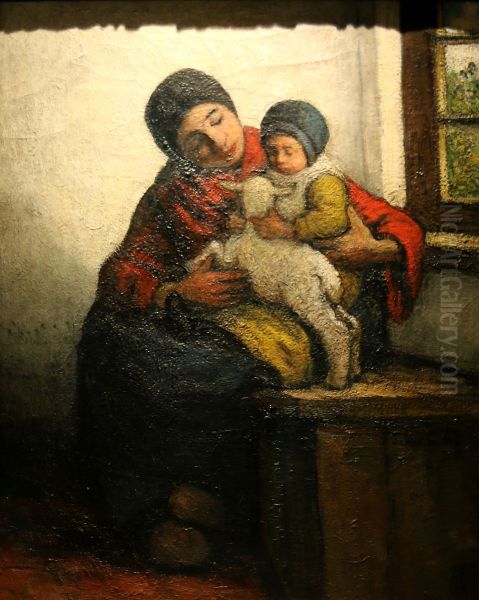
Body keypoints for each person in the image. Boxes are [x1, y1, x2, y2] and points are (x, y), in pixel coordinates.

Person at [77, 68, 424, 568]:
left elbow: (399, 227)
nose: (216, 142)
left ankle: (224, 506)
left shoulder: (286, 153)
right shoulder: (175, 191)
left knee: (193, 366)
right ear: (179, 153)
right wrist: (174, 291)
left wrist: (371, 251)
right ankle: (152, 512)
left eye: (216, 119)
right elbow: (124, 269)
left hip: (305, 316)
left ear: (231, 109)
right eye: (195, 142)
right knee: (107, 333)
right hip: (227, 314)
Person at [190, 99, 364, 389]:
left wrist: (290, 229)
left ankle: (340, 371)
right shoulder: (269, 176)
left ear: (308, 150)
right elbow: (252, 205)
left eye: (288, 151)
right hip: (267, 251)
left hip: (300, 257)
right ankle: (350, 365)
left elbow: (333, 219)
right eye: (272, 151)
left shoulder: (322, 180)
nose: (279, 159)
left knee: (318, 313)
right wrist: (239, 219)